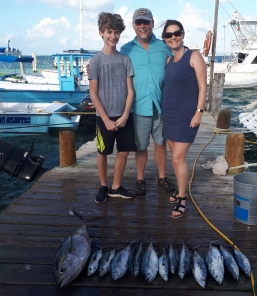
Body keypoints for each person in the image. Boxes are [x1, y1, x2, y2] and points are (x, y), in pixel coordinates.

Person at [120, 8, 175, 197]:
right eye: (138, 22)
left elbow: (179, 64)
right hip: (138, 107)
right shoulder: (125, 50)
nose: (142, 26)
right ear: (134, 25)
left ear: (152, 23)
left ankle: (162, 177)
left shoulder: (164, 46)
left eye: (146, 22)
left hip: (161, 105)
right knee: (141, 147)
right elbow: (114, 70)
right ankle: (140, 179)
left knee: (161, 144)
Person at [88, 12, 136, 203]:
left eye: (116, 32)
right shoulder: (95, 61)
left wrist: (125, 115)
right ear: (101, 32)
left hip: (124, 115)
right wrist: (106, 119)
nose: (113, 36)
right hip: (103, 117)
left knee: (123, 151)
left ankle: (116, 186)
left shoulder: (125, 60)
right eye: (109, 31)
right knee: (103, 152)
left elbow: (130, 91)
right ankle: (103, 185)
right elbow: (93, 93)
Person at [161, 20, 207, 218]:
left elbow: (203, 86)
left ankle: (182, 198)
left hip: (186, 116)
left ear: (183, 34)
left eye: (176, 33)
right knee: (175, 158)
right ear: (165, 39)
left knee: (179, 158)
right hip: (169, 114)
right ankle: (179, 190)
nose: (173, 37)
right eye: (169, 35)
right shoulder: (169, 61)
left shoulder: (194, 55)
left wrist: (199, 111)